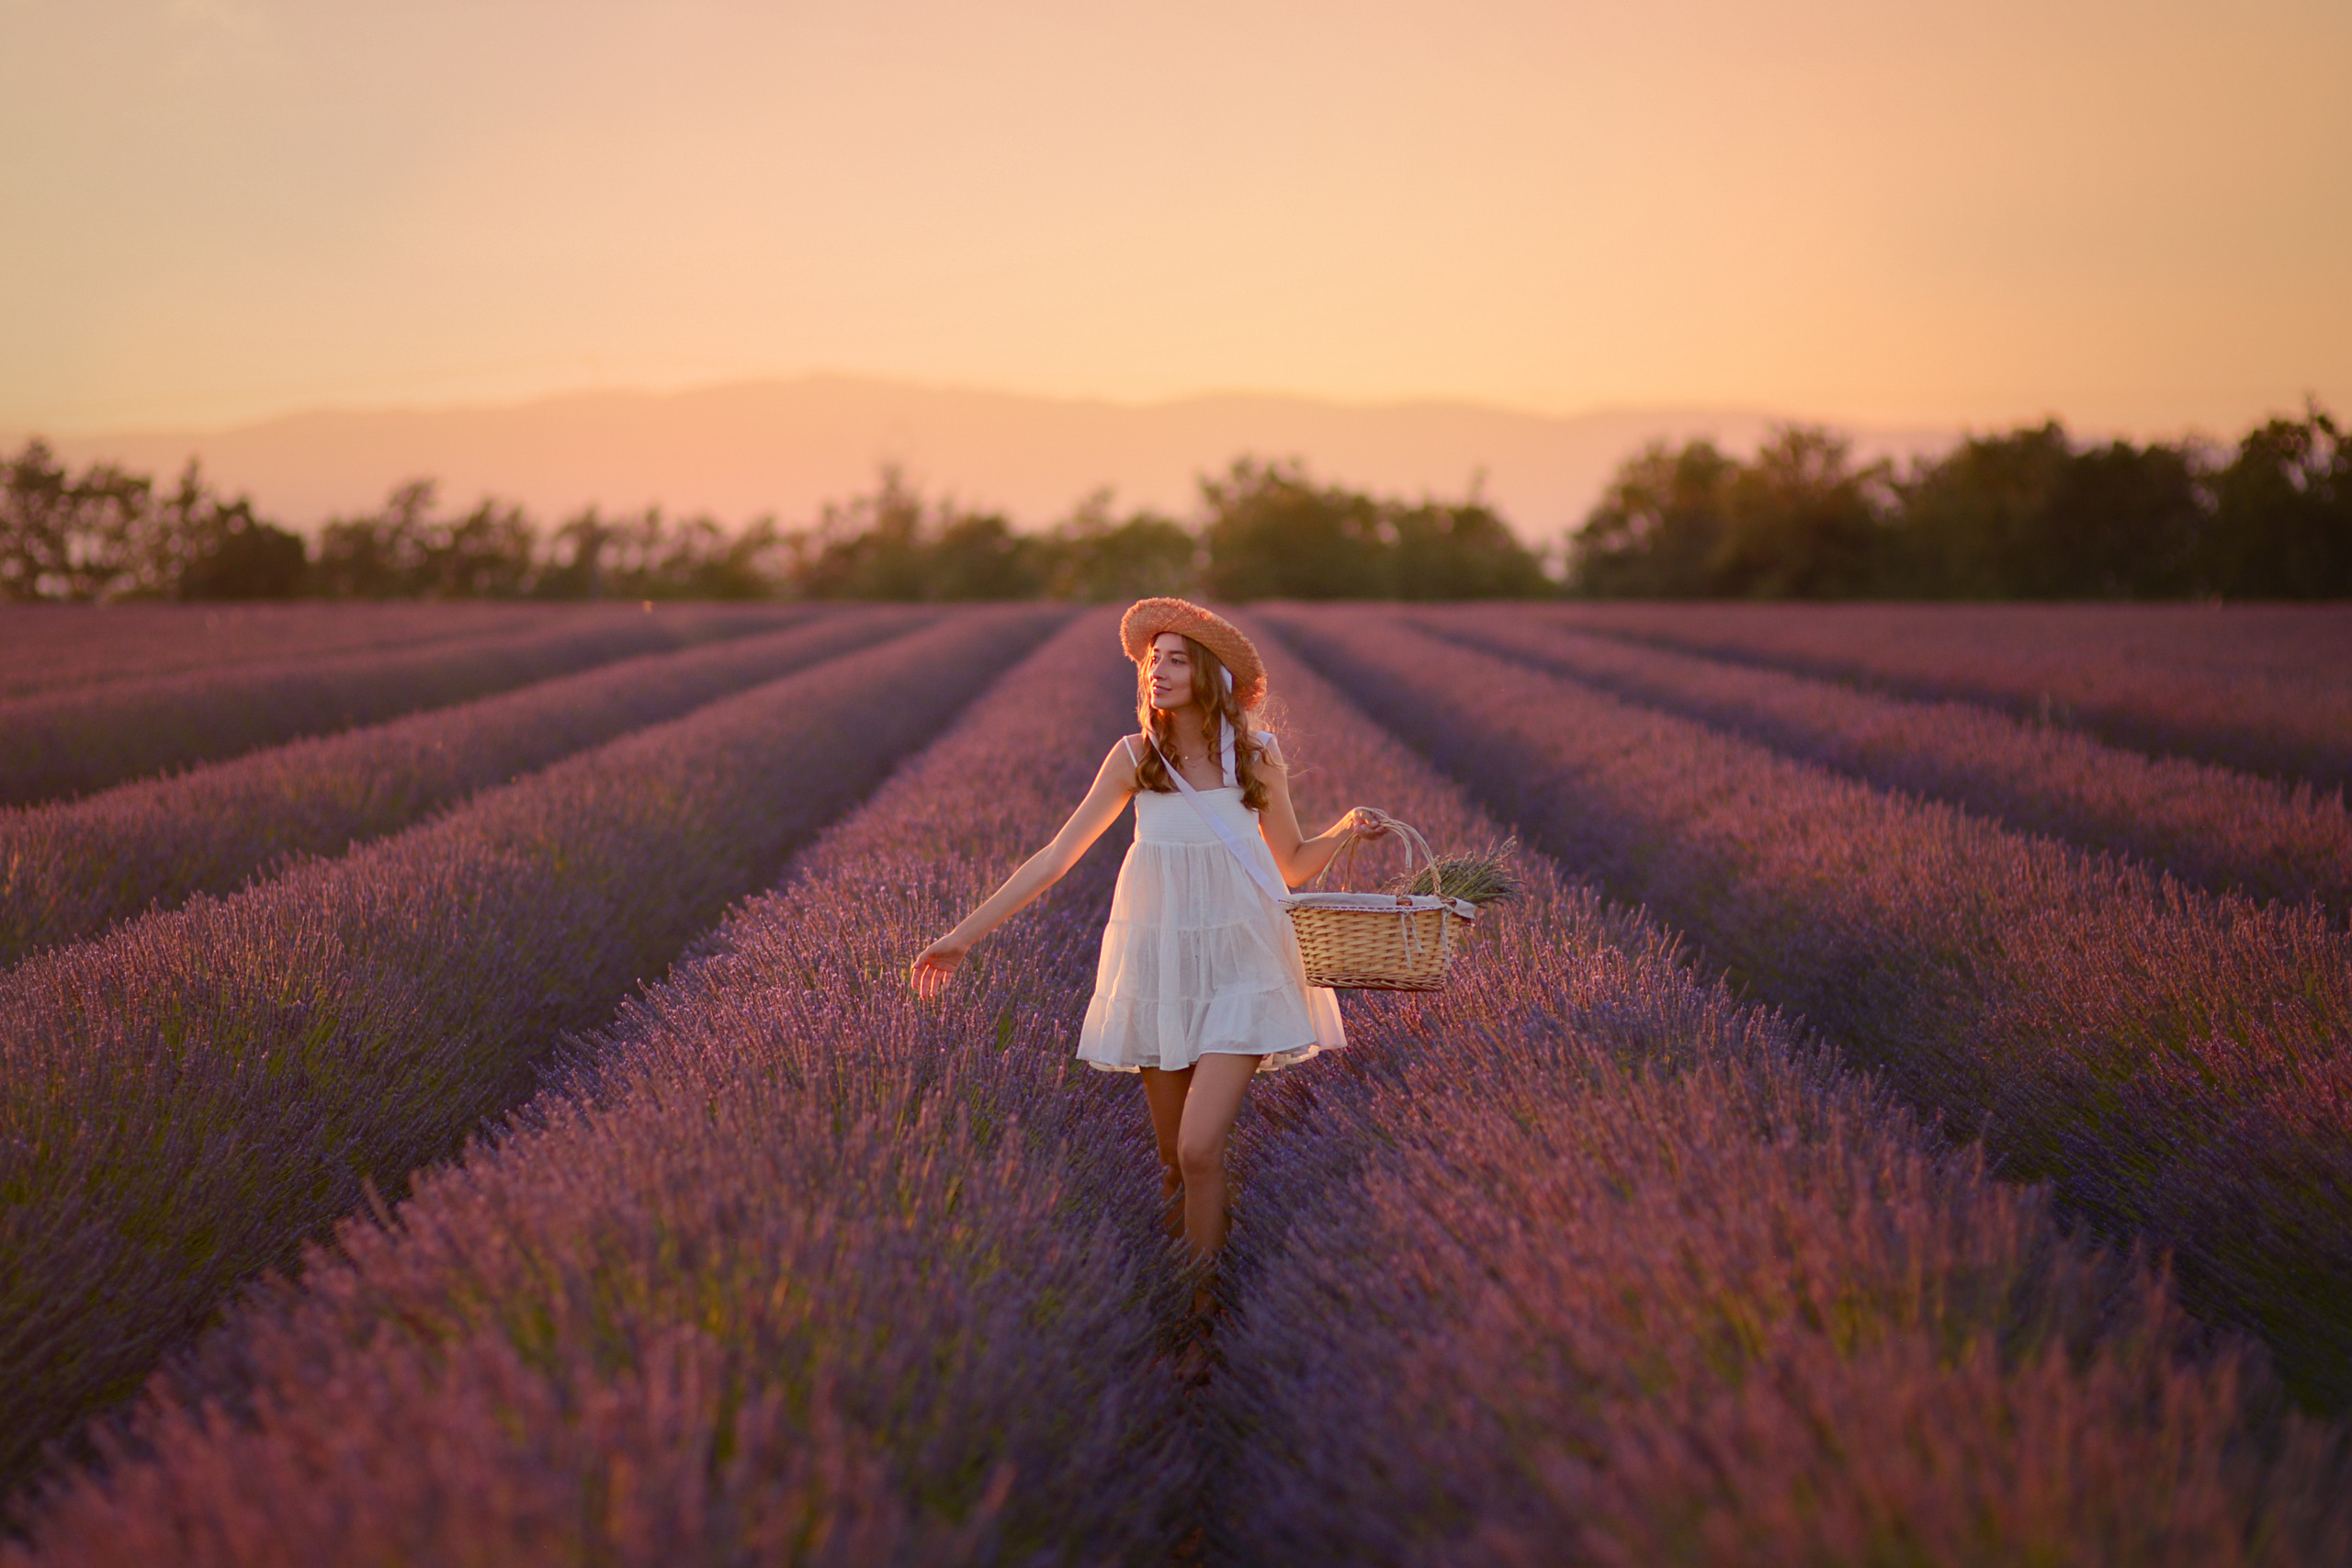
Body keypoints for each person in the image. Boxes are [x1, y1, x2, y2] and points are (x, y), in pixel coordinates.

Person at [910, 598, 1384, 1255]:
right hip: (1161, 971)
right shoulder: (1136, 756)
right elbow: (1055, 857)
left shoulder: (1256, 756)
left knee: (1197, 1148)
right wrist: (962, 935)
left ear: (1211, 675)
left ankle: (1201, 1318)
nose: (1156, 671)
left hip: (1246, 964)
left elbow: (1294, 864)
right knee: (1169, 1160)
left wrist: (1344, 829)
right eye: (1153, 660)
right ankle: (1191, 1303)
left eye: (1176, 660)